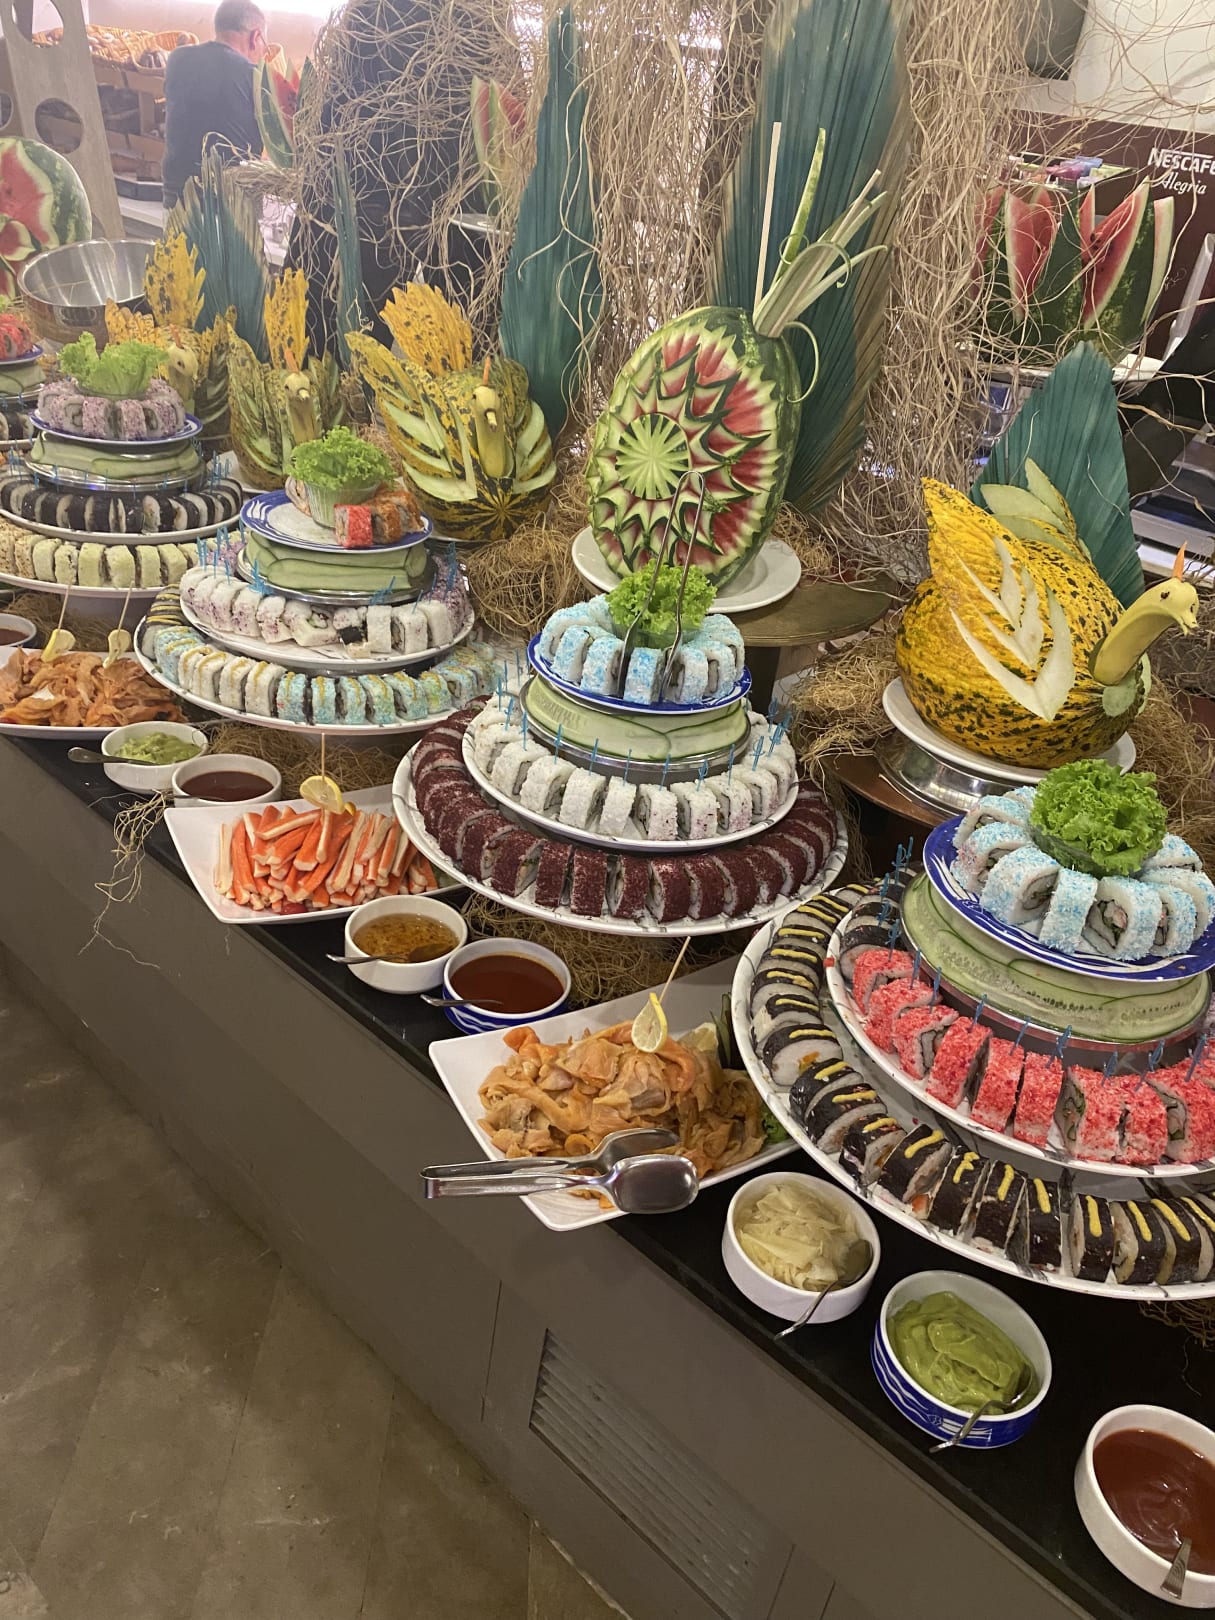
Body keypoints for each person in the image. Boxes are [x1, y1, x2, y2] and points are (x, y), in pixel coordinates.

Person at [162, 0, 267, 207]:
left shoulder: (176, 59)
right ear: (255, 37)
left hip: (177, 201)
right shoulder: (253, 75)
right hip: (231, 206)